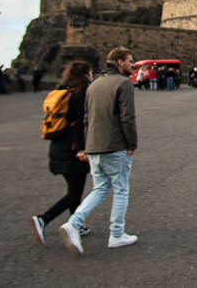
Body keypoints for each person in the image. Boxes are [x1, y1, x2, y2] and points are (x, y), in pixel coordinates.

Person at [60, 46, 139, 254]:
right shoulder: (124, 83)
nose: (132, 64)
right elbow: (127, 118)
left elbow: (85, 118)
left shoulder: (94, 85)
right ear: (120, 62)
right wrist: (132, 144)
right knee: (121, 189)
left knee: (100, 188)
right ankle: (117, 234)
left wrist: (85, 146)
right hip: (115, 145)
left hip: (94, 146)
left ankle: (73, 223)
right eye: (130, 61)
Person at [31, 61, 92, 245]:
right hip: (73, 148)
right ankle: (44, 218)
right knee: (74, 192)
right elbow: (80, 124)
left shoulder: (61, 90)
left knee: (74, 189)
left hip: (57, 146)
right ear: (86, 75)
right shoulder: (80, 94)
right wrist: (82, 148)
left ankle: (77, 224)